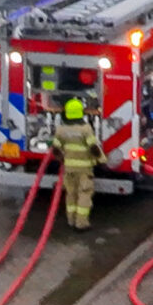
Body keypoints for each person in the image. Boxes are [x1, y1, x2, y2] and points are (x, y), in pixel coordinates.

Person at [55, 97, 98, 230]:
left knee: (71, 194)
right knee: (84, 194)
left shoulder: (61, 130)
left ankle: (71, 221)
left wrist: (62, 159)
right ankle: (81, 223)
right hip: (84, 169)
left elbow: (55, 149)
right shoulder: (86, 129)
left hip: (69, 169)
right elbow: (93, 147)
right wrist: (100, 159)